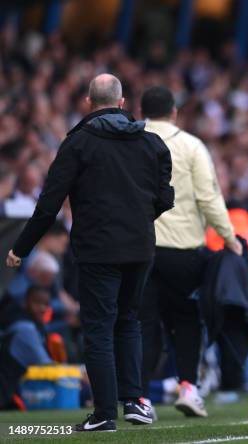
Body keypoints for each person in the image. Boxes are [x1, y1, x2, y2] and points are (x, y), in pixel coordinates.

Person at [6, 74, 174, 431]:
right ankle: (135, 401)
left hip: (98, 249)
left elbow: (48, 204)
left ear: (88, 102)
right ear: (122, 102)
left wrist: (20, 248)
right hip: (140, 246)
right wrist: (137, 220)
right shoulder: (151, 144)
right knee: (128, 321)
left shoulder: (78, 144)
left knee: (98, 328)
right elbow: (165, 198)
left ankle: (103, 415)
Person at [138, 86, 241, 418]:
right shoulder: (191, 145)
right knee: (186, 321)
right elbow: (209, 198)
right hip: (184, 251)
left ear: (142, 112)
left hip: (139, 249)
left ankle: (138, 398)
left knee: (144, 323)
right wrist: (230, 238)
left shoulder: (130, 142)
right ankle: (187, 386)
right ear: (174, 112)